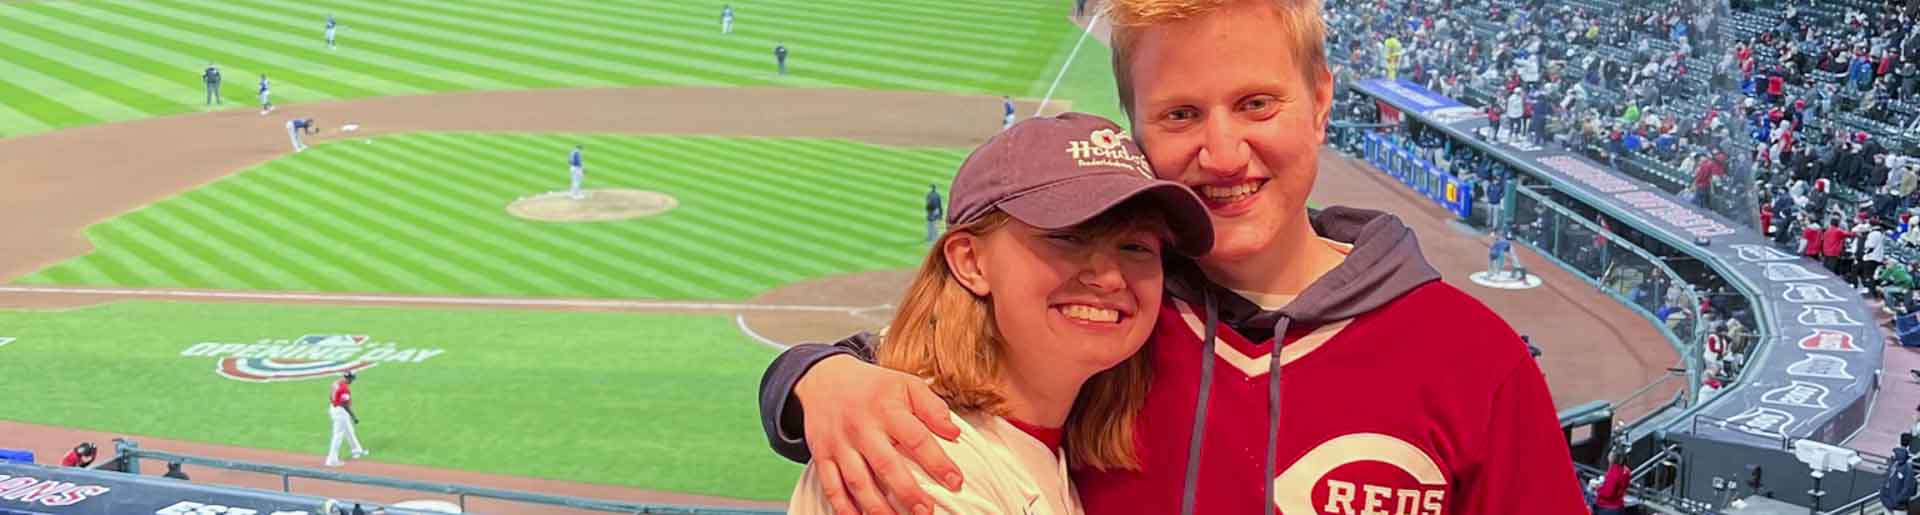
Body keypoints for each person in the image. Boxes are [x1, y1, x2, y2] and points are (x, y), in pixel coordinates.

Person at [757, 0, 1586, 513]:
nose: (1224, 153)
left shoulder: (1475, 360)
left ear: (1323, 100)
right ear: (1134, 128)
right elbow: (926, 380)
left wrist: (805, 379)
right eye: (1181, 115)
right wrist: (815, 379)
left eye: (1256, 103)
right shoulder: (1107, 329)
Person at [788, 112, 1214, 514]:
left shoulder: (1038, 442)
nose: (1108, 277)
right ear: (971, 263)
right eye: (1066, 237)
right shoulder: (916, 456)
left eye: (1136, 247)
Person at [325, 371, 368, 467]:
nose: (352, 381)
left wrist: (334, 402)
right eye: (352, 379)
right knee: (338, 436)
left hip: (333, 408)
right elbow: (345, 404)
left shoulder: (336, 383)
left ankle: (357, 449)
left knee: (349, 430)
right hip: (340, 412)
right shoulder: (345, 389)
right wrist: (353, 416)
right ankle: (331, 460)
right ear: (348, 378)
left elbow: (330, 395)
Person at [1883, 433, 1916, 512]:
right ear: (1910, 445)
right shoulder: (1908, 466)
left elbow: (1885, 479)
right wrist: (1897, 501)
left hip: (1886, 501)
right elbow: (1909, 488)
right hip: (1899, 505)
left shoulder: (1891, 460)